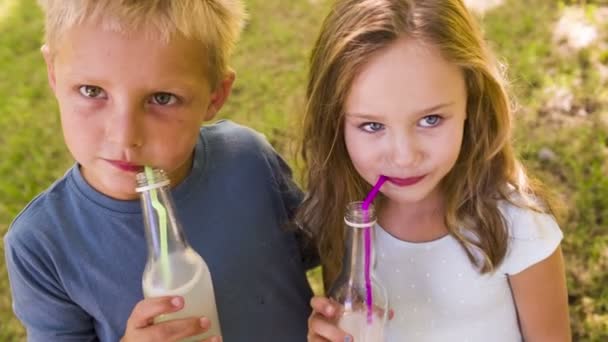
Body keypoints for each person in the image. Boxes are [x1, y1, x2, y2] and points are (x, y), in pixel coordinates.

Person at [4, 1, 316, 341]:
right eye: (92, 91)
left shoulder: (249, 161)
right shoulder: (40, 245)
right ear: (53, 73)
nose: (125, 136)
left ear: (215, 96)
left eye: (162, 98)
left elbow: (324, 249)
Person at [298, 0, 571, 340]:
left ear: (471, 100)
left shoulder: (517, 227)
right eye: (371, 125)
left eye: (430, 119)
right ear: (335, 122)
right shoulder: (344, 218)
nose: (404, 157)